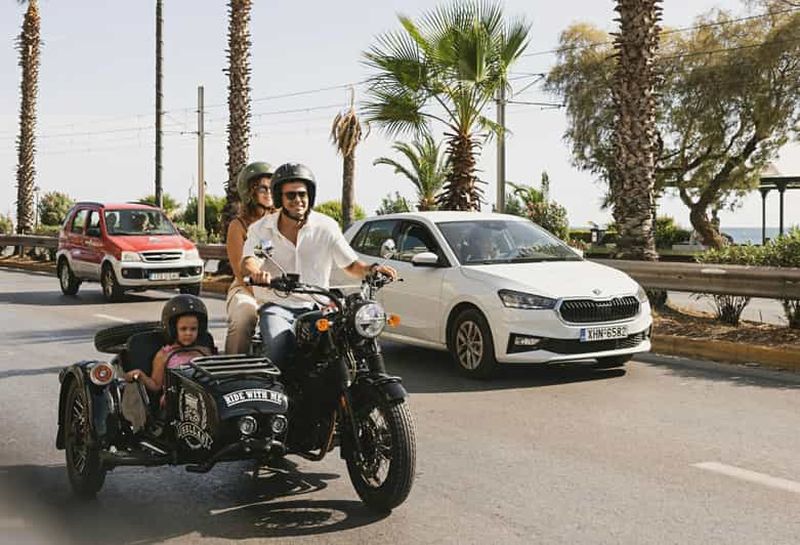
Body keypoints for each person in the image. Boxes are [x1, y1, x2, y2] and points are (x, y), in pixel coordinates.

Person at [240, 162, 397, 367]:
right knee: (279, 347)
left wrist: (372, 269)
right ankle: (278, 396)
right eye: (291, 195)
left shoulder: (326, 226)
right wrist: (257, 274)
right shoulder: (263, 229)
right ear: (279, 198)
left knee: (348, 342)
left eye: (302, 194)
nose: (298, 200)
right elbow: (250, 260)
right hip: (278, 306)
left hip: (318, 306)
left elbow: (350, 264)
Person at [224, 161, 275, 354]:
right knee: (244, 314)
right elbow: (240, 272)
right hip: (247, 289)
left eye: (272, 187)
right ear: (249, 191)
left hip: (284, 288)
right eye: (263, 187)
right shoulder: (238, 226)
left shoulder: (284, 222)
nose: (269, 192)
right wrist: (263, 295)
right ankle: (231, 372)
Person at [124, 294, 212, 399]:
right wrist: (140, 375)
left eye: (193, 329)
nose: (188, 333)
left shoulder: (204, 352)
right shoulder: (164, 355)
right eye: (183, 329)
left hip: (203, 399)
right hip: (173, 402)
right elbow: (156, 386)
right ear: (173, 329)